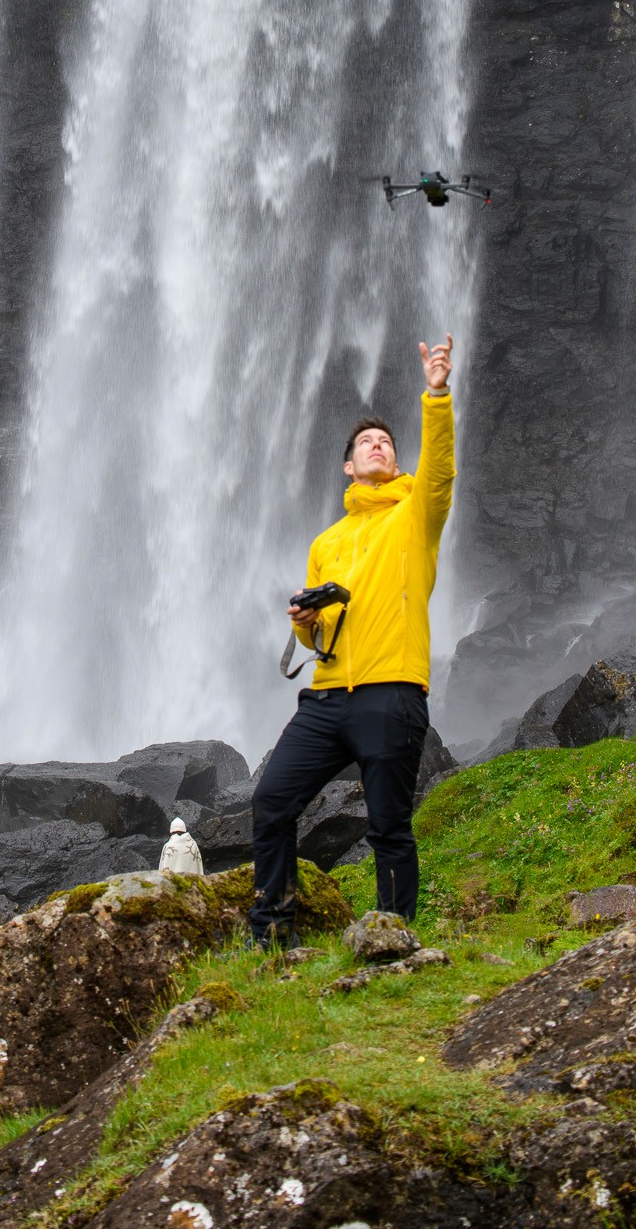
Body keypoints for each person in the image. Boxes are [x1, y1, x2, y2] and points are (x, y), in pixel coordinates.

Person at [249, 334, 456, 947]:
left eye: (386, 442)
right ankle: (271, 934)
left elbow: (440, 470)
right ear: (348, 465)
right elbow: (315, 634)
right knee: (272, 800)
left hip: (392, 691)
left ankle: (394, 939)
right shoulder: (326, 543)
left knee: (389, 825)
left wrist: (436, 396)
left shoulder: (415, 515)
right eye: (367, 442)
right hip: (327, 696)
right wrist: (302, 620)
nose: (379, 445)